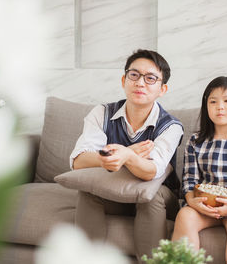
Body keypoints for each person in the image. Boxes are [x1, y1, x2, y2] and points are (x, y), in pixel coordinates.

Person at [69, 49, 183, 260]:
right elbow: (78, 161)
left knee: (152, 197)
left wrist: (127, 157)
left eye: (150, 78)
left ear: (162, 89)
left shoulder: (171, 126)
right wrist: (124, 153)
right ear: (124, 80)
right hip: (114, 190)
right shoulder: (102, 113)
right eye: (134, 75)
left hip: (160, 196)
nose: (140, 83)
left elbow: (151, 172)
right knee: (88, 192)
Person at [171, 76, 227, 264]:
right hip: (203, 206)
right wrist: (193, 202)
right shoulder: (196, 141)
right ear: (206, 106)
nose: (220, 106)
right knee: (184, 216)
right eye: (213, 101)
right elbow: (189, 181)